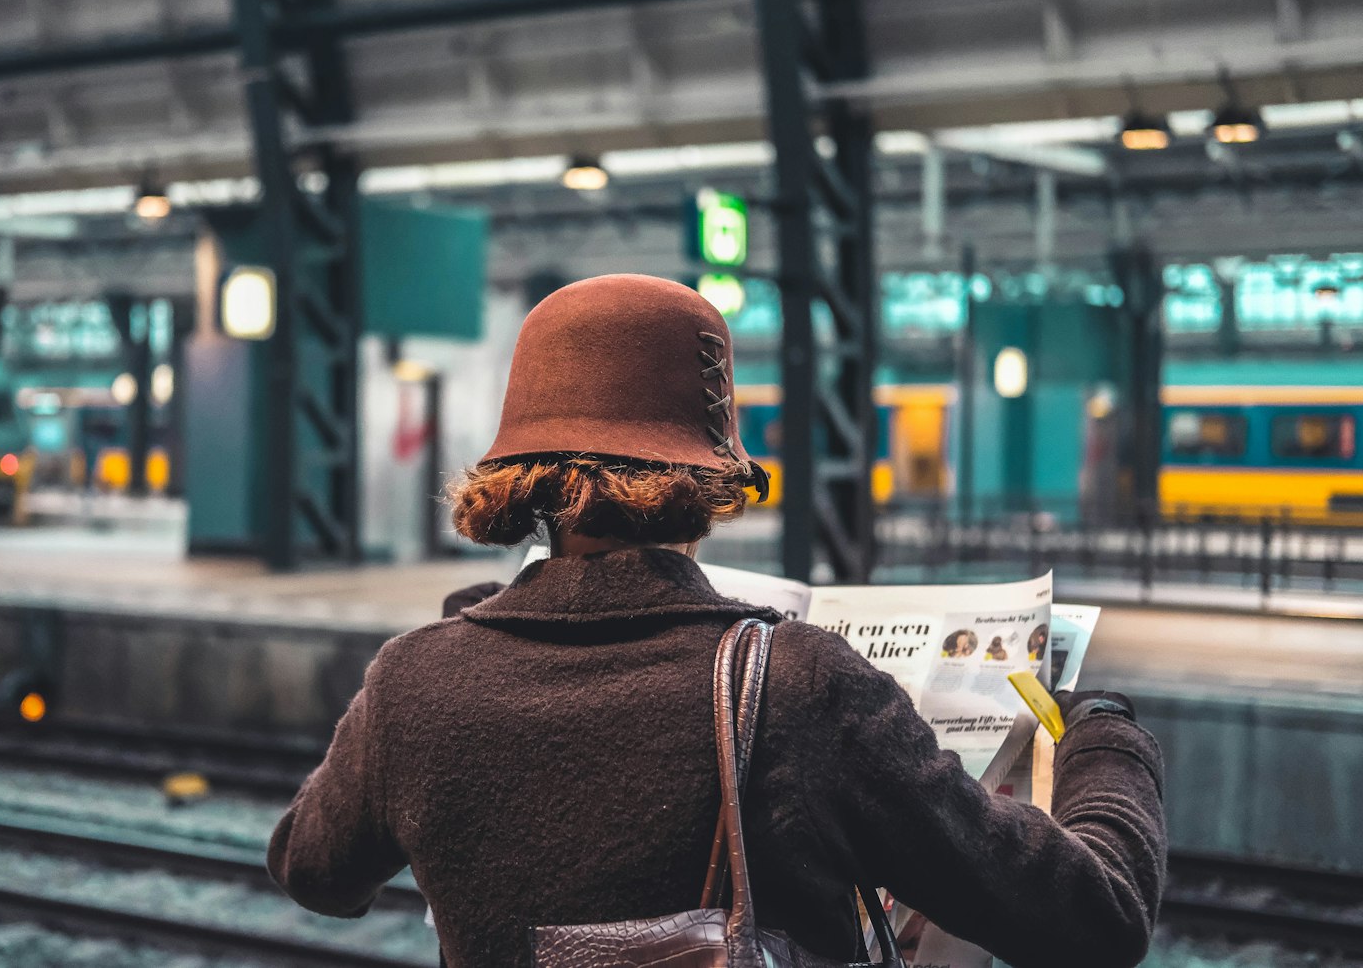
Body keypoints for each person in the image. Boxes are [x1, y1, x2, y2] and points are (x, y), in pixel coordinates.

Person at [266, 274, 1165, 968]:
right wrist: (1104, 739)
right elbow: (1097, 918)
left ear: (524, 480)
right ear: (710, 483)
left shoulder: (416, 680)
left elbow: (312, 867)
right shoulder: (801, 686)